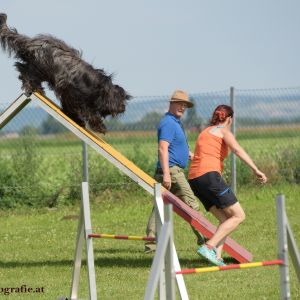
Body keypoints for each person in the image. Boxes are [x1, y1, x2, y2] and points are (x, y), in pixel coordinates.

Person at [188, 104, 267, 266]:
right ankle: (208, 247)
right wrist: (256, 170)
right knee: (239, 216)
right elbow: (238, 150)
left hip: (195, 180)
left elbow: (200, 155)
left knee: (226, 218)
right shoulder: (224, 131)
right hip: (209, 177)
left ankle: (216, 256)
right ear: (229, 119)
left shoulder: (204, 132)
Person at [145, 89, 205, 253]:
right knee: (192, 204)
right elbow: (163, 149)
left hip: (170, 170)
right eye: (179, 103)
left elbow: (173, 147)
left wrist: (188, 154)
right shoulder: (169, 123)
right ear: (171, 103)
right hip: (171, 172)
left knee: (159, 205)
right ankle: (205, 238)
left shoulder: (174, 122)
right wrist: (166, 174)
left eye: (185, 105)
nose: (182, 107)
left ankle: (151, 243)